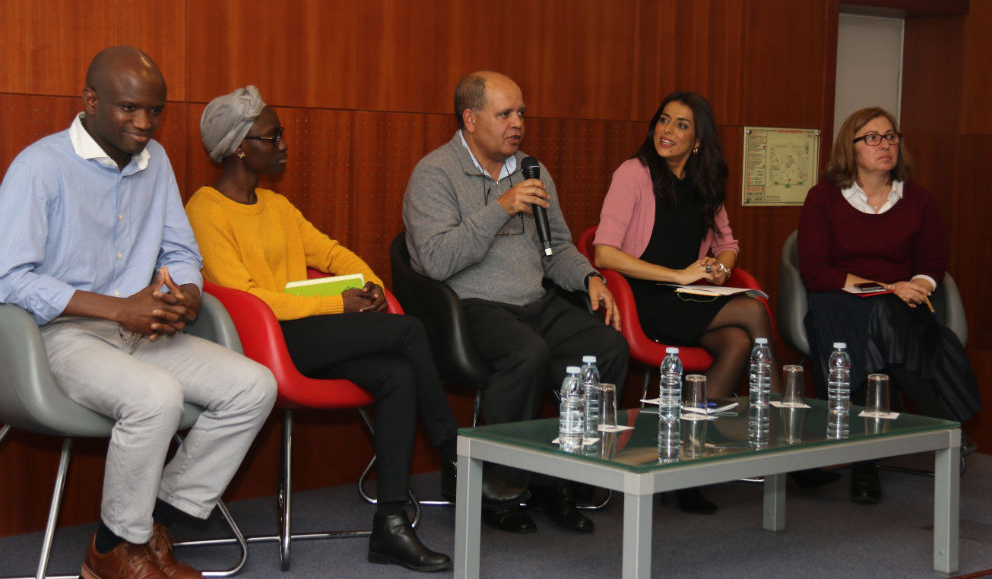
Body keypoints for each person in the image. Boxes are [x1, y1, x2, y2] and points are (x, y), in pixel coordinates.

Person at [0, 47, 278, 579]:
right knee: (157, 398)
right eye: (129, 109)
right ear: (90, 101)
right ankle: (117, 552)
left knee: (254, 387)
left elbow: (181, 253)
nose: (144, 123)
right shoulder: (41, 167)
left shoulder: (157, 163)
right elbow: (10, 277)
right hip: (61, 336)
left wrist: (190, 294)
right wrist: (119, 309)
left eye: (155, 110)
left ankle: (138, 531)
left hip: (144, 332)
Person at [185, 86, 455, 573]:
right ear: (241, 146)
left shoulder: (276, 206)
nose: (285, 143)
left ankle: (391, 527)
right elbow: (244, 297)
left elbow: (330, 253)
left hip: (305, 335)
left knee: (397, 373)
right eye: (274, 135)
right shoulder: (205, 210)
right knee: (410, 332)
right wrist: (337, 301)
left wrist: (370, 285)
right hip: (260, 344)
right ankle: (455, 452)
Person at [402, 71, 629, 535]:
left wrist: (588, 278)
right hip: (470, 307)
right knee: (527, 354)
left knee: (609, 349)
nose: (517, 123)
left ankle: (561, 478)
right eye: (504, 113)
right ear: (470, 118)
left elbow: (557, 248)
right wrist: (500, 208)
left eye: (521, 112)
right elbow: (436, 260)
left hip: (535, 301)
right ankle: (496, 487)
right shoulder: (434, 173)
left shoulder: (532, 169)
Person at [592, 91, 783, 514]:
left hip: (690, 295)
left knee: (737, 341)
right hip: (645, 297)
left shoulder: (704, 180)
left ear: (698, 141)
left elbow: (728, 244)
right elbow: (604, 253)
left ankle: (683, 458)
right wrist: (678, 275)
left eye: (681, 125)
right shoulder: (633, 173)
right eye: (663, 120)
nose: (668, 131)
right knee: (752, 309)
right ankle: (781, 422)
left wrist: (720, 267)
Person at [798, 106, 981, 505]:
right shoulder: (823, 198)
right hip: (838, 302)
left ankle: (866, 467)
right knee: (881, 320)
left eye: (892, 136)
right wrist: (887, 287)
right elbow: (815, 272)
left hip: (898, 308)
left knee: (884, 329)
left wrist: (915, 284)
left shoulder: (919, 199)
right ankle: (947, 422)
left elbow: (933, 266)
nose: (886, 144)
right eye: (873, 138)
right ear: (852, 147)